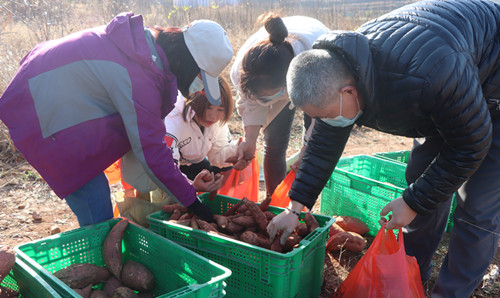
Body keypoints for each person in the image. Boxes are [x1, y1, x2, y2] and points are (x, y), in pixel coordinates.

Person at [267, 0, 500, 298]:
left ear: (348, 91)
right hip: (449, 88)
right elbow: (324, 140)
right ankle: (408, 281)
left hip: (491, 85)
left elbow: (472, 143)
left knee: (476, 209)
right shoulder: (340, 69)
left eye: (325, 113)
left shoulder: (429, 75)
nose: (326, 122)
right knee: (422, 181)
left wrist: (411, 201)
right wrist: (295, 205)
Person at [0, 12, 234, 226]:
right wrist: (194, 203)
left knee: (96, 191)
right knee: (95, 203)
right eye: (198, 75)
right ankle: (97, 261)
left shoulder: (149, 45)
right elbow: (152, 151)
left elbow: (146, 141)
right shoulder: (141, 73)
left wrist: (187, 188)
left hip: (48, 91)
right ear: (185, 60)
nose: (196, 84)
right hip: (38, 109)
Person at [230, 13, 329, 195]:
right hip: (279, 76)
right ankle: (273, 200)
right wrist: (249, 140)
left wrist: (308, 148)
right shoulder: (243, 71)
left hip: (316, 79)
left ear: (286, 85)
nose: (267, 100)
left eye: (269, 95)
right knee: (274, 143)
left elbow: (322, 113)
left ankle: (301, 203)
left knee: (312, 152)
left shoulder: (316, 64)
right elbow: (250, 103)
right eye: (263, 97)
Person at [120, 76, 248, 197]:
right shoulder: (172, 121)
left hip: (191, 161)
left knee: (228, 168)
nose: (213, 116)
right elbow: (165, 168)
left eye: (220, 110)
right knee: (162, 194)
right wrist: (191, 186)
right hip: (155, 167)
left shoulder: (217, 123)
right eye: (208, 108)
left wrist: (237, 152)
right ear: (194, 102)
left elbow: (217, 155)